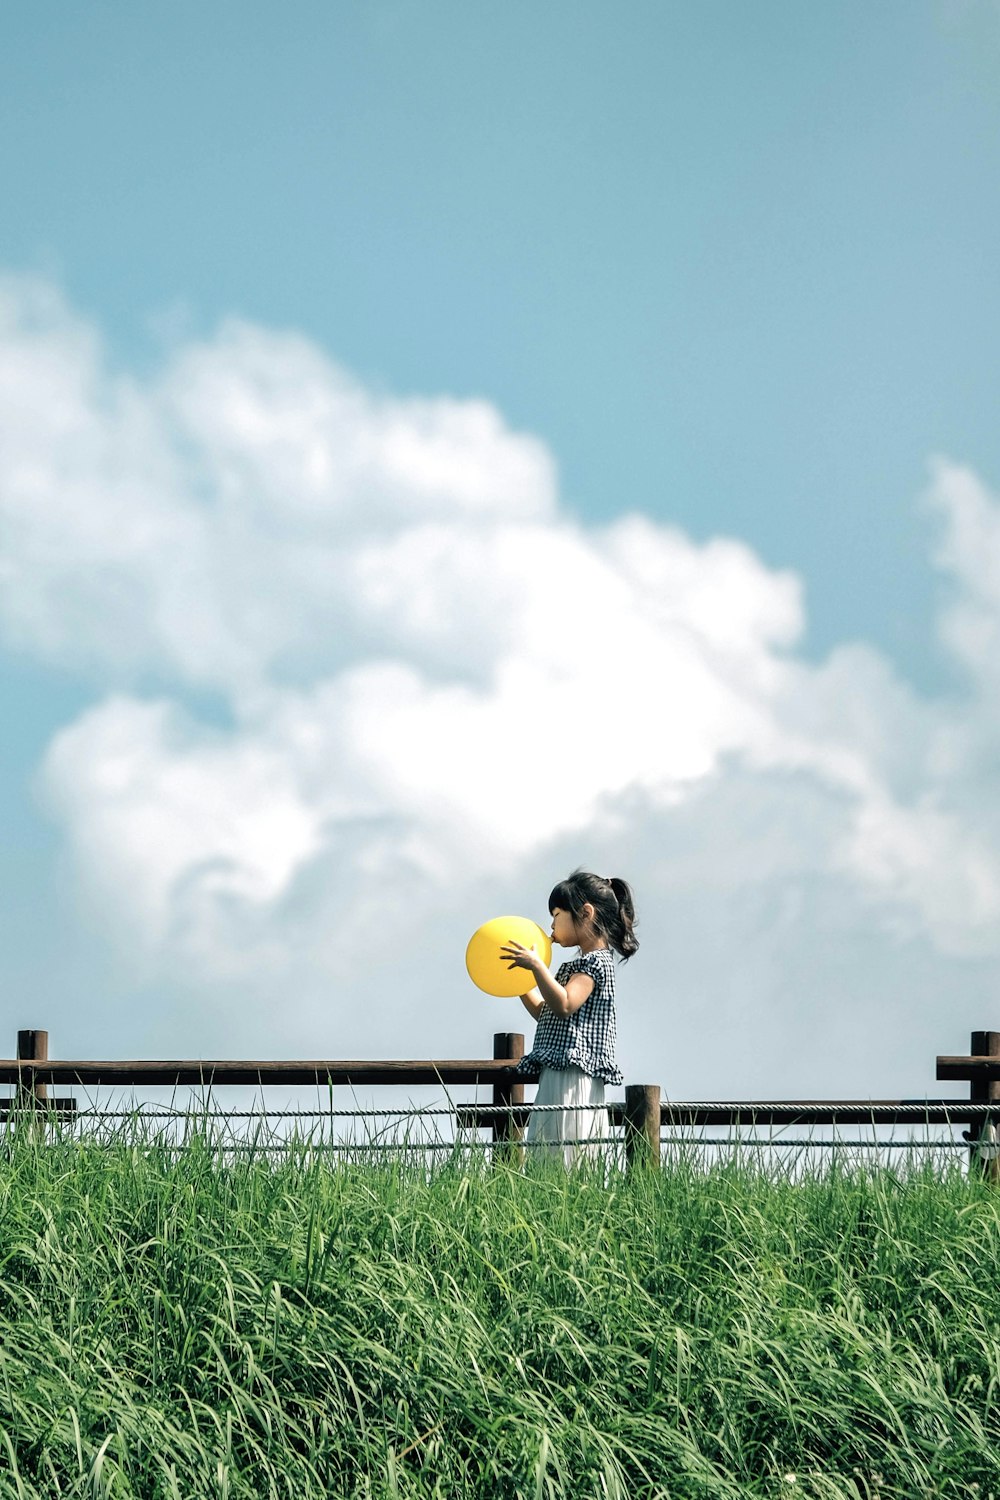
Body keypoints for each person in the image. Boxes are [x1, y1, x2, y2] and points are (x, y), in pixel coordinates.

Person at [500, 870, 638, 1167]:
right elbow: (549, 1013)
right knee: (548, 1149)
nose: (551, 925)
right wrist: (522, 986)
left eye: (557, 914)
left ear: (585, 913)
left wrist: (537, 967)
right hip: (561, 1071)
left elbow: (564, 1004)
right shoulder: (579, 965)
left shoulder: (595, 963)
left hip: (575, 1076)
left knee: (564, 1152)